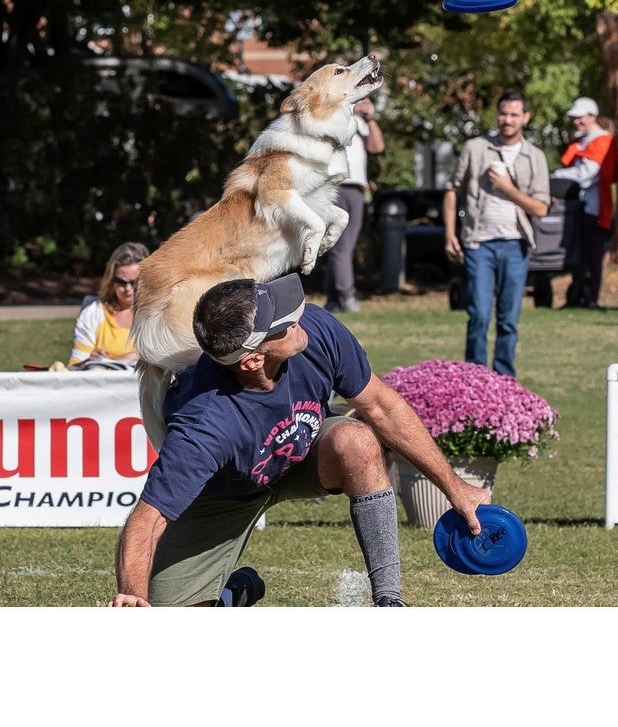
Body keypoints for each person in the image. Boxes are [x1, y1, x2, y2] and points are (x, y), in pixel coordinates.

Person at [107, 272, 490, 607]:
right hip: (223, 494)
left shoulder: (315, 328)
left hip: (303, 454)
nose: (298, 315)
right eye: (283, 323)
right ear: (253, 360)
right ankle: (233, 595)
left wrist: (454, 487)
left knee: (356, 441)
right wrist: (132, 594)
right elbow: (147, 519)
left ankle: (389, 599)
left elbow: (382, 407)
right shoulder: (204, 425)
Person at [442, 89, 550, 378]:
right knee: (478, 314)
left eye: (514, 115)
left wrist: (508, 189)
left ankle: (504, 382)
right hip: (479, 243)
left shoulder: (534, 156)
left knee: (508, 320)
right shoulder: (475, 148)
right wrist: (450, 234)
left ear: (525, 117)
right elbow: (452, 190)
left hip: (516, 244)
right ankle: (475, 379)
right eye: (503, 114)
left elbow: (541, 208)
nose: (508, 120)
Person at [552, 97, 618, 308]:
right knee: (578, 253)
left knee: (593, 253)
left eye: (580, 117)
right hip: (577, 205)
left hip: (594, 207)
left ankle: (590, 297)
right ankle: (577, 295)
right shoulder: (582, 140)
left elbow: (586, 174)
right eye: (574, 118)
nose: (576, 121)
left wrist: (557, 175)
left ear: (592, 116)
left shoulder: (602, 140)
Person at [324, 96, 385, 313]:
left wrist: (371, 118)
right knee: (341, 245)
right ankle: (347, 295)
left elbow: (377, 147)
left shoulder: (360, 123)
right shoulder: (334, 117)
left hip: (357, 189)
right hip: (338, 186)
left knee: (342, 245)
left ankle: (333, 298)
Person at [67, 241, 150, 368]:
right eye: (121, 281)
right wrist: (89, 361)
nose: (128, 289)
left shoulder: (159, 314)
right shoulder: (94, 313)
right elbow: (74, 368)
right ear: (111, 280)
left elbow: (170, 356)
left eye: (134, 282)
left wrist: (133, 356)